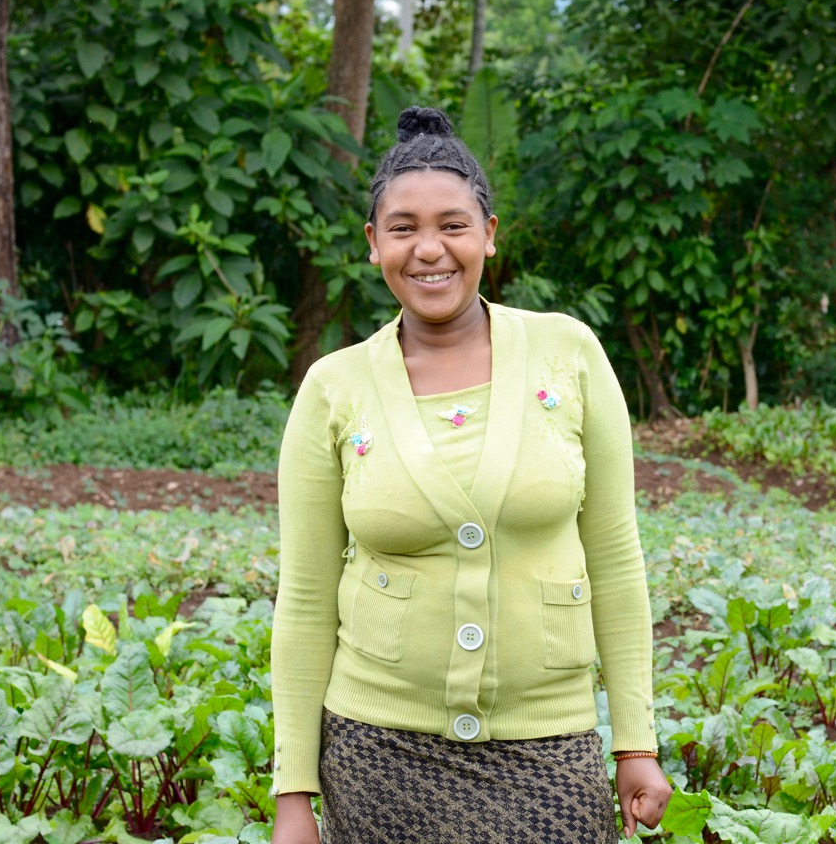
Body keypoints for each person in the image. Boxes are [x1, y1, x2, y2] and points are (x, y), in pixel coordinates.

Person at [270, 106, 671, 843]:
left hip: (549, 750)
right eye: (403, 228)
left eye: (453, 225)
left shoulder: (569, 354)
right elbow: (302, 601)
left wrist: (635, 745)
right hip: (377, 755)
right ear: (372, 244)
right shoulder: (335, 386)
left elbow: (616, 560)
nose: (430, 250)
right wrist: (294, 793)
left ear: (489, 233)